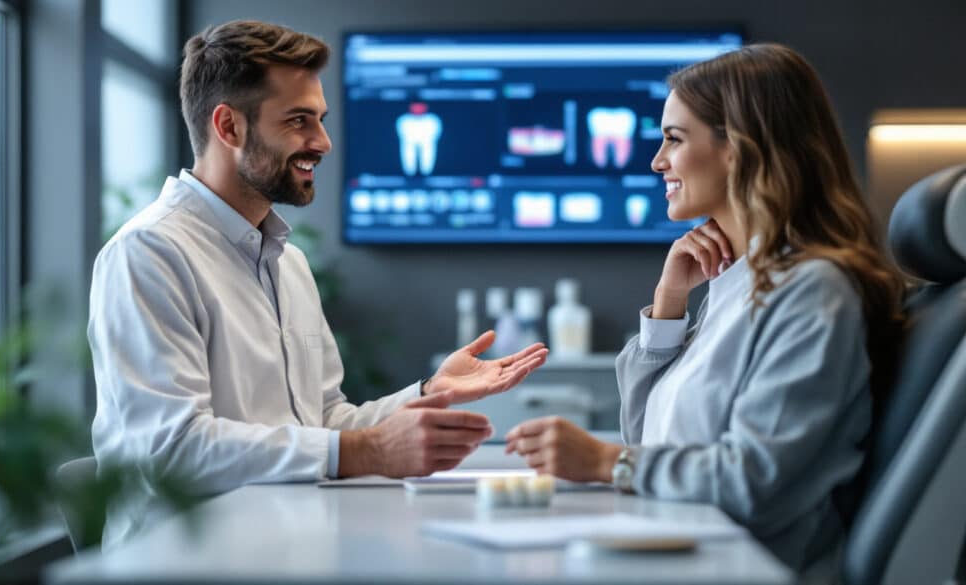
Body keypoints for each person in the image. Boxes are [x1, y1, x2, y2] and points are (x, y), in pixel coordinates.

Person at [88, 20, 547, 547]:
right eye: (299, 121)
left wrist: (427, 393)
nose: (323, 142)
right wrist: (366, 452)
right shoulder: (149, 253)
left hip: (283, 545)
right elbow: (171, 450)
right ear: (229, 126)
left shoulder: (290, 263)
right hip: (181, 560)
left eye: (321, 120)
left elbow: (325, 419)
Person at [505, 43, 905, 571]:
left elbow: (754, 480)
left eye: (674, 139)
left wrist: (604, 462)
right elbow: (647, 437)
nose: (657, 161)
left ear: (740, 148)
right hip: (685, 549)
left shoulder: (812, 291)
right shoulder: (740, 282)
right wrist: (668, 305)